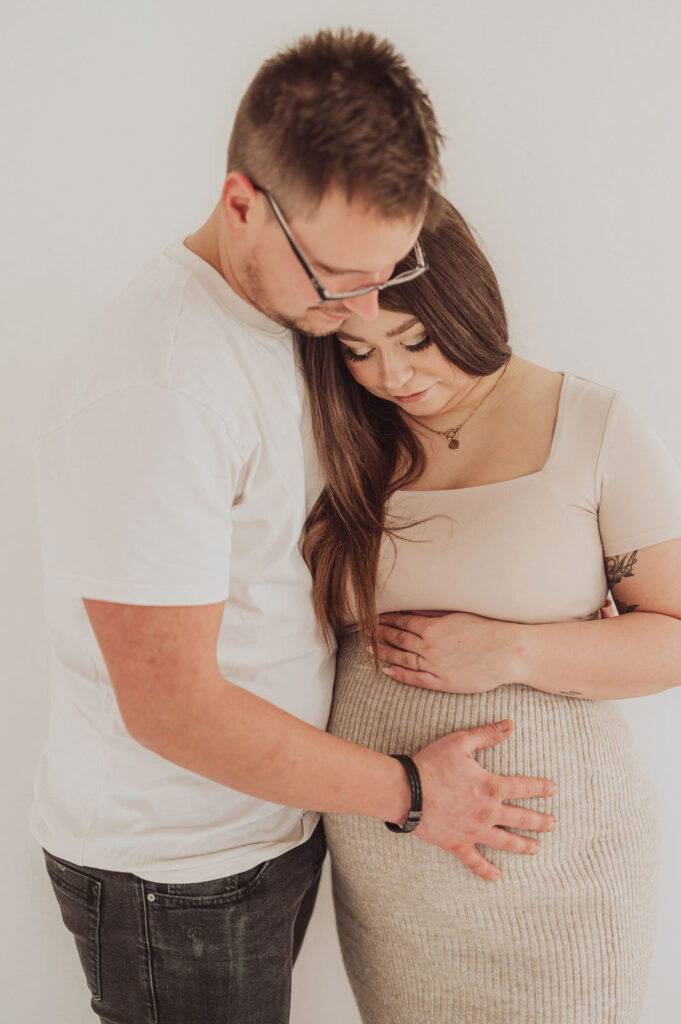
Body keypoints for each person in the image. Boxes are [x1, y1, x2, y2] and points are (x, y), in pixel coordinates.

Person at [31, 30, 559, 1024]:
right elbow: (169, 705)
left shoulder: (285, 319)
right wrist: (408, 792)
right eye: (336, 277)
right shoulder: (160, 385)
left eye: (386, 270)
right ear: (242, 205)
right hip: (174, 873)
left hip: (262, 836)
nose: (360, 307)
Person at [297, 196, 681, 1024]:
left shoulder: (591, 426)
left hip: (558, 875)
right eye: (356, 349)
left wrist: (513, 653)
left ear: (462, 302)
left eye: (413, 340)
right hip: (393, 878)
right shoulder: (346, 439)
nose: (390, 376)